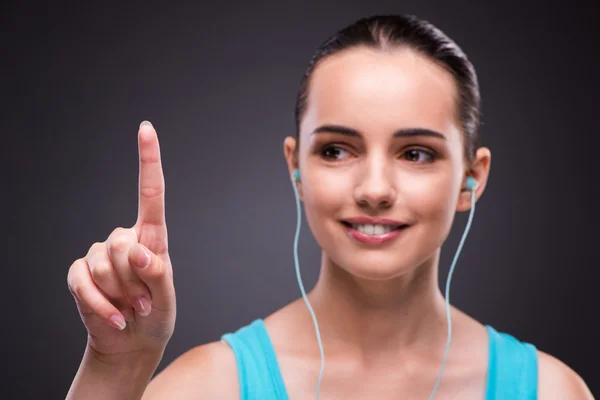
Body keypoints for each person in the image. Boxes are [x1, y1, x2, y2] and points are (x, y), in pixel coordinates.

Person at [66, 14, 594, 400]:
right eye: (337, 150)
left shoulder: (551, 391)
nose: (374, 188)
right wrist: (118, 367)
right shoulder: (207, 388)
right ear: (297, 167)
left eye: (416, 153)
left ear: (471, 178)